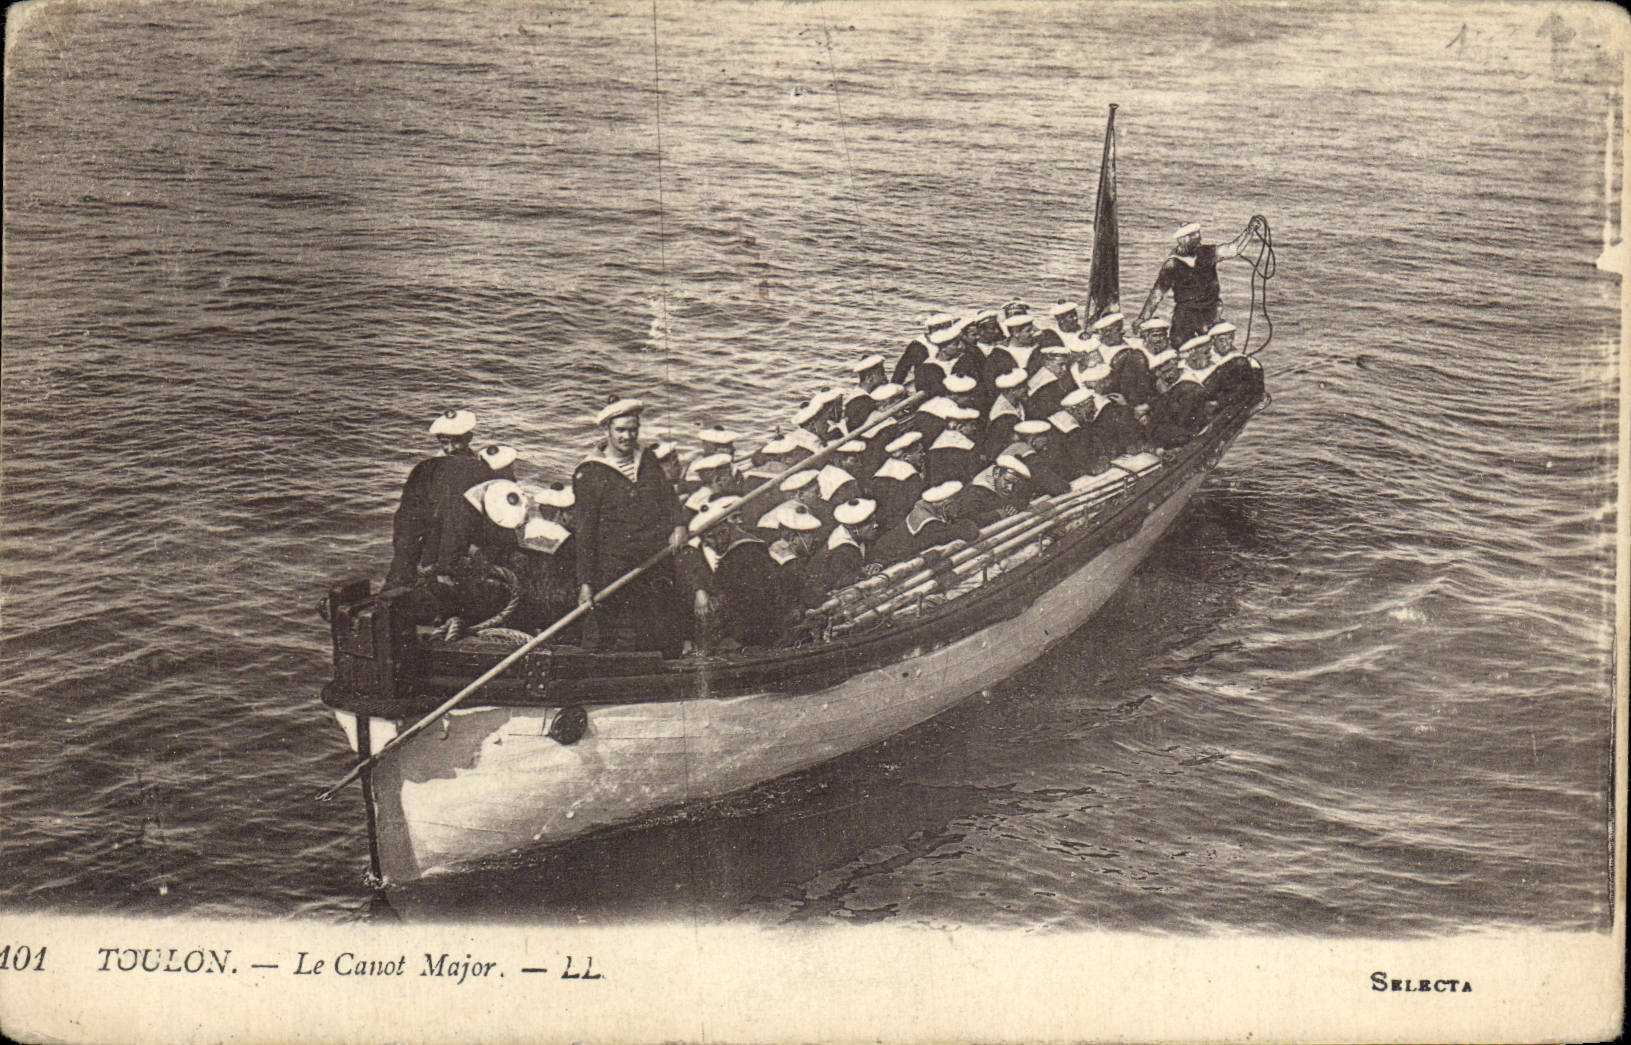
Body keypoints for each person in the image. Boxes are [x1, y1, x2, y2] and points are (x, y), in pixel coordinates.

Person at [572, 397, 688, 655]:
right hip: (614, 568)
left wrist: (679, 526)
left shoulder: (646, 458)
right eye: (621, 430)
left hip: (653, 560)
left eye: (633, 430)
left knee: (660, 625)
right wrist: (586, 582)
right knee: (615, 632)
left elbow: (668, 498)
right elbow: (585, 532)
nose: (628, 436)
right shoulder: (589, 472)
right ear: (607, 431)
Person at [385, 409, 489, 591]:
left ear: (469, 438)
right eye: (444, 443)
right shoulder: (428, 470)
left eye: (456, 442)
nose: (450, 449)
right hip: (439, 545)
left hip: (453, 547)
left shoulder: (426, 468)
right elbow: (407, 516)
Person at [1136, 221, 1256, 346]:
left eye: (1199, 239)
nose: (1199, 243)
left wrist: (1249, 232)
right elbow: (1157, 294)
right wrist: (1143, 318)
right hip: (1186, 315)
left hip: (1210, 312)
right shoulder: (1172, 265)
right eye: (1195, 240)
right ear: (1183, 240)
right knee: (1179, 344)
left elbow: (1232, 249)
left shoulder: (1207, 253)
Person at [870, 480, 980, 566]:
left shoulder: (923, 509)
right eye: (956, 504)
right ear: (946, 505)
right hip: (888, 560)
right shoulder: (929, 524)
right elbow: (970, 532)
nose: (959, 508)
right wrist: (959, 519)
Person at [816, 497, 882, 590]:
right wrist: (863, 572)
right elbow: (841, 582)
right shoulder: (843, 550)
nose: (875, 525)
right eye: (869, 523)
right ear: (854, 528)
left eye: (874, 521)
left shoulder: (858, 537)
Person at [958, 454, 1033, 523]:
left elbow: (1023, 496)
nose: (1010, 488)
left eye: (1014, 484)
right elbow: (969, 520)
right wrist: (997, 514)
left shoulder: (1000, 486)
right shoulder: (975, 491)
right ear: (996, 473)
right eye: (1007, 481)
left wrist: (1015, 506)